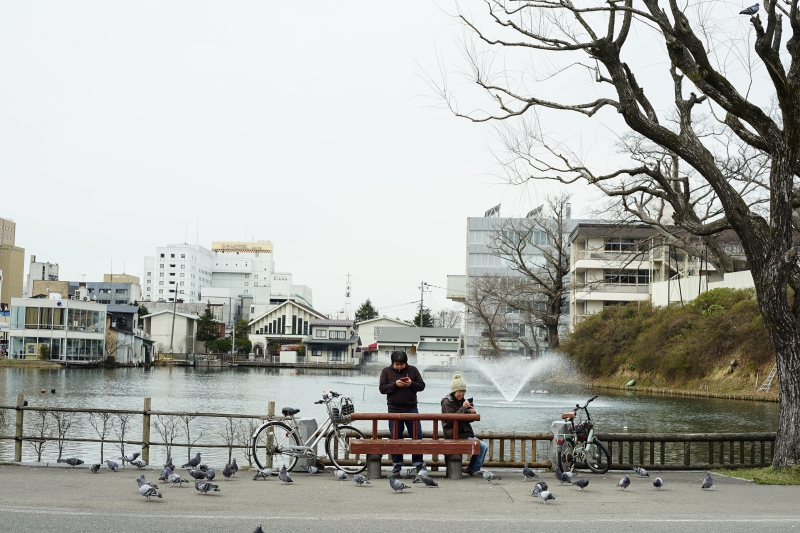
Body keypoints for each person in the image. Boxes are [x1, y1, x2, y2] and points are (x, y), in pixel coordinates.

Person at [379, 350, 426, 474]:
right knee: (395, 437)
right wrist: (395, 385)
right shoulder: (386, 371)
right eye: (397, 364)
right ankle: (397, 463)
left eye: (402, 364)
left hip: (412, 408)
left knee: (417, 436)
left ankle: (418, 463)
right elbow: (382, 389)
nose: (399, 366)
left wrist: (411, 384)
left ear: (406, 363)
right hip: (394, 410)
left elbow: (421, 386)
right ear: (392, 363)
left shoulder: (413, 370)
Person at [441, 373, 489, 476]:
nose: (461, 394)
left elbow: (467, 420)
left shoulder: (462, 401)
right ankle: (472, 469)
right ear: (453, 391)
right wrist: (463, 408)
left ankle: (472, 468)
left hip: (463, 434)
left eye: (463, 391)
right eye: (459, 391)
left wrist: (472, 412)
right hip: (454, 435)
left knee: (483, 446)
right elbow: (451, 420)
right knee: (483, 446)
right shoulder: (447, 403)